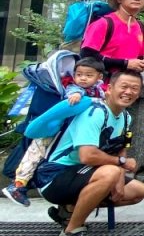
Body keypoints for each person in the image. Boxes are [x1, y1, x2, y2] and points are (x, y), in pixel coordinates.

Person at [35, 70, 144, 236]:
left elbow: (121, 148)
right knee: (109, 173)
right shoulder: (95, 113)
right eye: (124, 87)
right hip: (54, 176)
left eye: (134, 88)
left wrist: (119, 170)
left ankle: (69, 211)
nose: (129, 92)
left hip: (84, 173)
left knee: (137, 190)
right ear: (109, 89)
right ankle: (71, 233)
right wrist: (119, 165)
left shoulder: (126, 117)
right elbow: (87, 156)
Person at [3, 58, 107, 208]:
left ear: (99, 77)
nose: (83, 78)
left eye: (88, 75)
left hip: (70, 132)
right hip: (54, 130)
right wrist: (76, 95)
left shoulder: (99, 90)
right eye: (79, 74)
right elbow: (73, 96)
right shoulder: (74, 88)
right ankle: (18, 185)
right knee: (35, 153)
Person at [81, 0, 144, 78]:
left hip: (129, 83)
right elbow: (87, 55)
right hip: (103, 84)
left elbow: (139, 57)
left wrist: (141, 64)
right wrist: (125, 63)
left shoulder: (142, 28)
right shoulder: (103, 24)